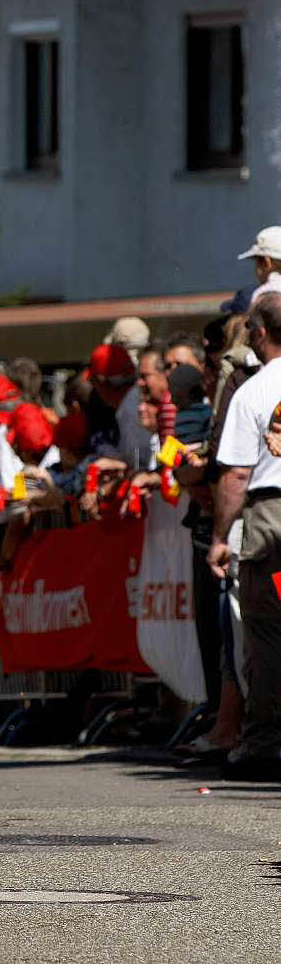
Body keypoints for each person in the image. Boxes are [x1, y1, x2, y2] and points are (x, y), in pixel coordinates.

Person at [209, 293, 281, 778]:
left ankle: (265, 741)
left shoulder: (254, 390)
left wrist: (219, 535)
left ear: (258, 334)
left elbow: (235, 475)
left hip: (271, 512)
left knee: (268, 631)